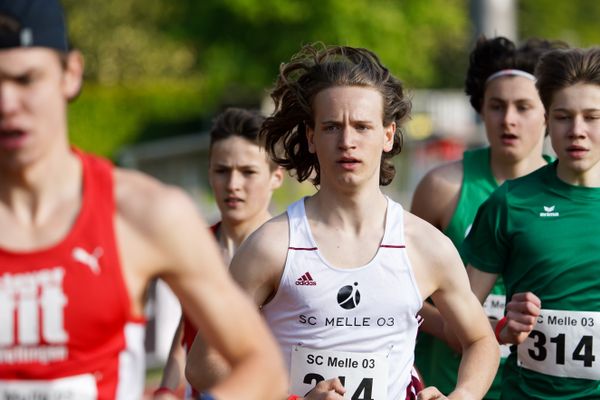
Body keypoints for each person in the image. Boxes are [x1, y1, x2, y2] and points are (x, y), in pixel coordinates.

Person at [0, 1, 287, 399]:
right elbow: (183, 342)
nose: (6, 103)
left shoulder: (144, 212)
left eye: (26, 79)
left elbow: (262, 366)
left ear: (71, 74)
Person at [186, 43, 499, 400]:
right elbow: (201, 365)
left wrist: (463, 395)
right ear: (311, 136)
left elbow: (479, 341)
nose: (347, 141)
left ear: (387, 135)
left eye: (362, 127)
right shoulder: (271, 245)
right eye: (332, 126)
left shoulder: (425, 245)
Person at [411, 36, 563, 399]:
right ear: (481, 108)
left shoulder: (572, 194)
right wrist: (454, 324)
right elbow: (400, 287)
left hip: (534, 385)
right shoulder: (443, 186)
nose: (508, 119)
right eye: (497, 106)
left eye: (523, 106)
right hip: (451, 383)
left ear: (547, 113)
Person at [462, 46, 600, 399]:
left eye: (592, 117)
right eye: (563, 116)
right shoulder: (510, 201)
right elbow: (460, 315)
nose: (577, 130)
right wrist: (503, 328)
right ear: (547, 120)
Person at [153, 108, 284, 399]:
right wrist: (165, 387)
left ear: (276, 177)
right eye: (222, 171)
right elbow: (188, 327)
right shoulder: (194, 246)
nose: (233, 184)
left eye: (248, 172)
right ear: (209, 172)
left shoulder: (290, 251)